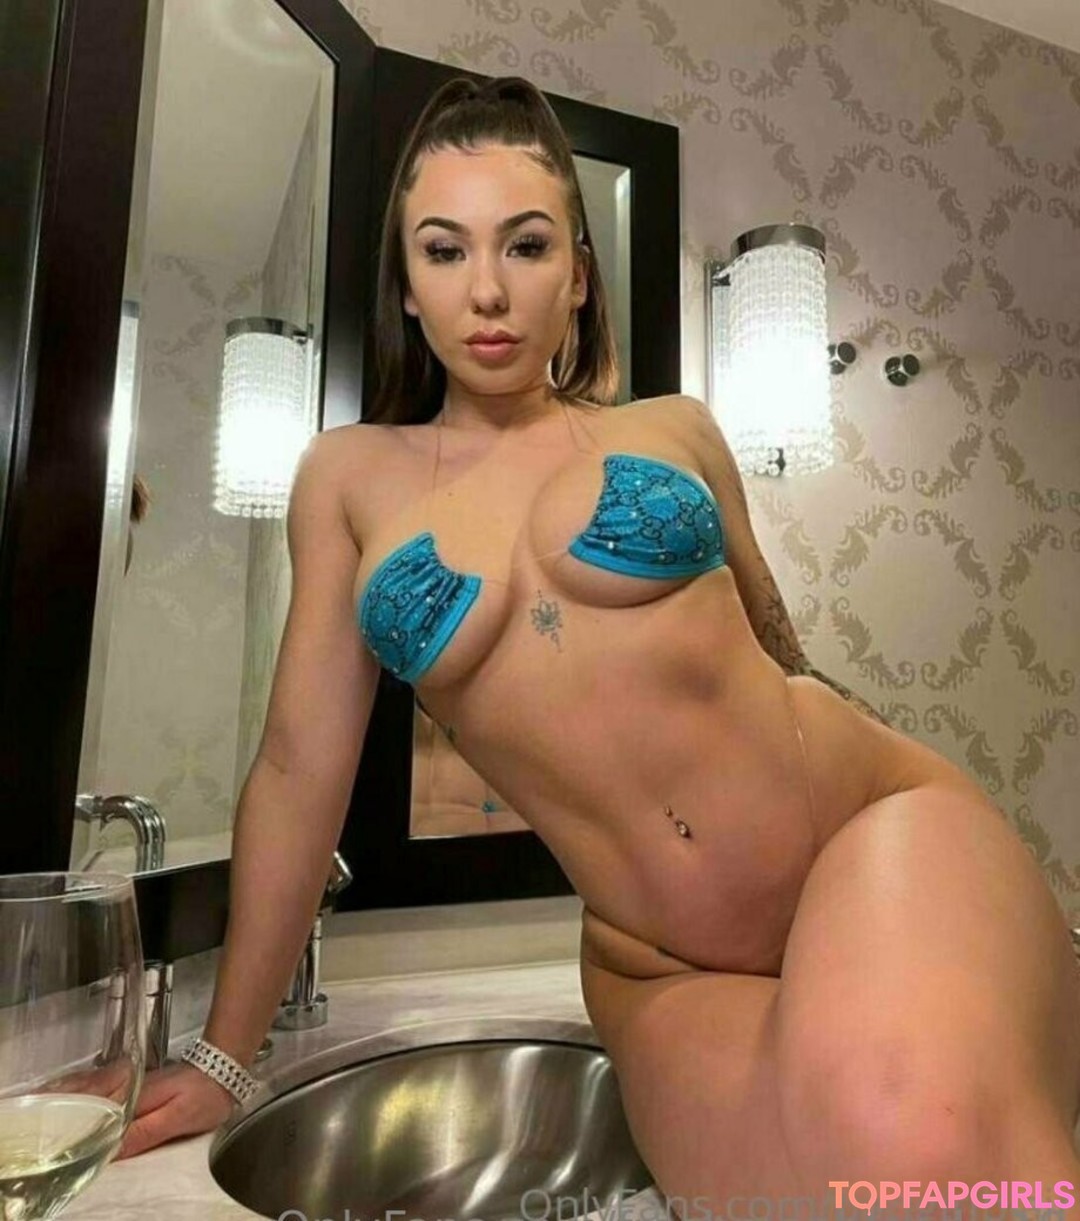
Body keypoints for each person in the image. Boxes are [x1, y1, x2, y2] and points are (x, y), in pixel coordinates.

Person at [117, 74, 1080, 1214]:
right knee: (856, 1189)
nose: (487, 290)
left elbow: (783, 658)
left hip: (866, 832)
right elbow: (295, 774)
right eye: (444, 251)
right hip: (658, 966)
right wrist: (224, 1057)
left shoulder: (675, 429)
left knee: (918, 1136)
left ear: (578, 274)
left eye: (525, 246)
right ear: (407, 288)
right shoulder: (346, 481)